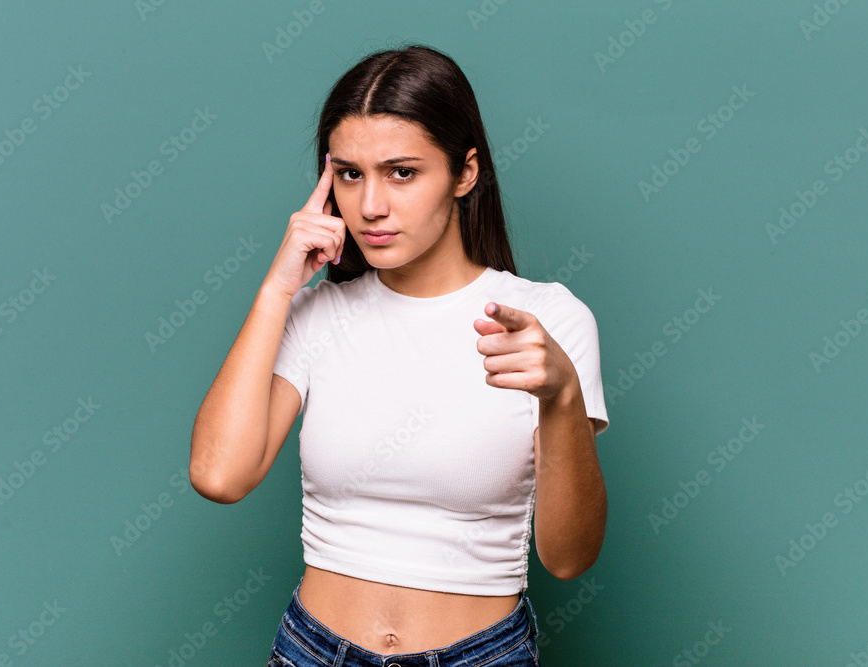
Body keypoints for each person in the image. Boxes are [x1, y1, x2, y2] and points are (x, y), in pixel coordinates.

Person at [189, 43, 610, 667]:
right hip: (314, 651)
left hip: (480, 654)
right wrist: (278, 290)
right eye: (351, 174)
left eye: (402, 172)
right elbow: (220, 476)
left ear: (465, 173)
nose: (371, 207)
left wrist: (563, 395)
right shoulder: (316, 315)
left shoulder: (546, 320)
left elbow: (569, 558)